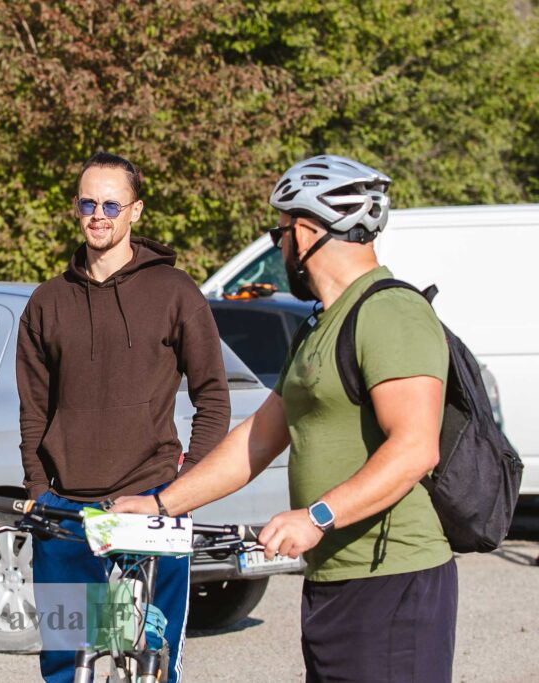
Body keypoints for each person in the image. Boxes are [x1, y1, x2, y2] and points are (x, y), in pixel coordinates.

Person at [115, 155, 457, 682]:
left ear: (303, 232)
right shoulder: (322, 324)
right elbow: (257, 439)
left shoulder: (390, 312)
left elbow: (416, 447)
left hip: (393, 582)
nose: (281, 250)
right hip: (335, 580)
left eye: (279, 235)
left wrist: (316, 516)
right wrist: (161, 504)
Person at [17, 151, 231, 682]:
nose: (99, 214)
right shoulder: (47, 302)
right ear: (75, 208)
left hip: (150, 502)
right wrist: (39, 488)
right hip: (68, 511)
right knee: (70, 665)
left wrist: (187, 487)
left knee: (154, 664)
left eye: (112, 203)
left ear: (135, 211)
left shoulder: (175, 292)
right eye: (89, 202)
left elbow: (213, 397)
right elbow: (33, 409)